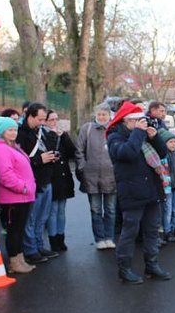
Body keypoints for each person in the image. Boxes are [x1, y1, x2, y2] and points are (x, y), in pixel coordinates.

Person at [107, 101, 170, 284]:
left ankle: (152, 265)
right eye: (137, 121)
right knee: (130, 231)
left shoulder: (141, 135)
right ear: (126, 120)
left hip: (151, 188)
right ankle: (124, 269)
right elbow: (127, 153)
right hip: (132, 190)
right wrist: (138, 133)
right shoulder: (115, 136)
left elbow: (162, 153)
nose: (141, 123)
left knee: (152, 230)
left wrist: (154, 137)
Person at [0, 117, 36, 273]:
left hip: (23, 196)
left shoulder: (14, 147)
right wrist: (23, 187)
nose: (13, 133)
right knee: (13, 231)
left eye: (15, 130)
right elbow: (5, 175)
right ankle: (14, 262)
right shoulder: (1, 149)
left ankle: (20, 259)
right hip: (13, 197)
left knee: (19, 230)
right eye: (10, 130)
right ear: (2, 131)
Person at [16, 103, 59, 264]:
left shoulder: (41, 132)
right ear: (30, 116)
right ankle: (30, 249)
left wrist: (54, 155)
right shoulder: (20, 134)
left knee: (42, 217)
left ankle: (39, 245)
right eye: (40, 119)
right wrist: (39, 160)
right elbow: (20, 159)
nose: (42, 122)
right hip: (32, 181)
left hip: (46, 178)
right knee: (31, 218)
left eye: (43, 119)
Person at [76, 103, 117, 250]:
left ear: (109, 115)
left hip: (111, 177)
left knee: (111, 209)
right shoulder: (87, 129)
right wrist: (83, 167)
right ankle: (99, 238)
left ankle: (109, 237)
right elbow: (79, 150)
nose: (101, 117)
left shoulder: (114, 130)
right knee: (96, 209)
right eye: (99, 114)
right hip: (91, 177)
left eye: (104, 114)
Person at [44, 110, 75, 252]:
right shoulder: (43, 135)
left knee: (62, 210)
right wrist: (52, 136)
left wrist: (64, 136)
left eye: (56, 119)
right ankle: (53, 239)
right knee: (53, 210)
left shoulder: (62, 135)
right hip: (52, 176)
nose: (55, 122)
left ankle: (61, 237)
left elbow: (72, 152)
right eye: (51, 120)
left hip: (64, 176)